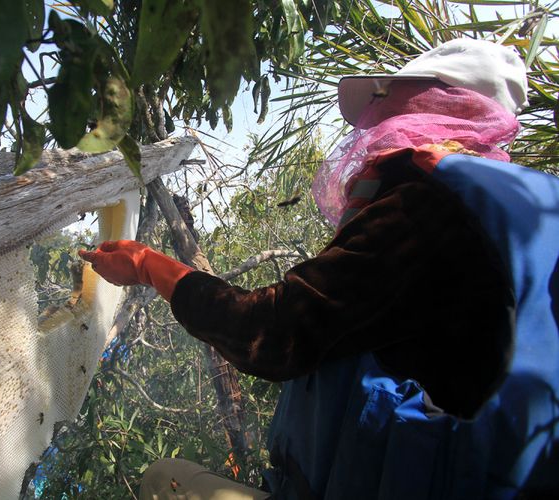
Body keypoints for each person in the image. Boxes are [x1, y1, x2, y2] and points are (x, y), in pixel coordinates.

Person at [80, 39, 559, 499]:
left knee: (166, 480)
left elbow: (270, 332)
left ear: (438, 103)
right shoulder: (516, 213)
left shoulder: (426, 207)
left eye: (388, 100)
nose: (374, 119)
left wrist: (146, 264)